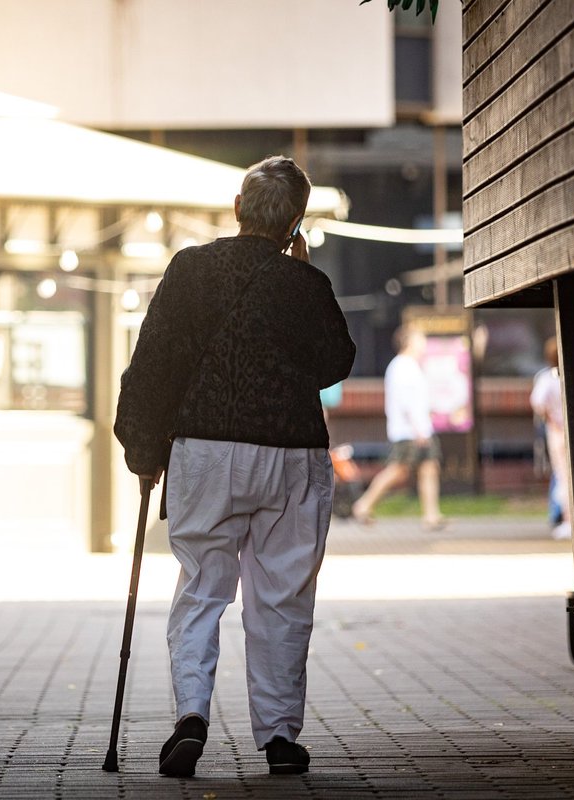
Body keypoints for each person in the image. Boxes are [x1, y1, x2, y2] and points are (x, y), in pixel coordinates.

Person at [114, 156, 355, 778]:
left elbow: (154, 364)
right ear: (295, 222)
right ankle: (278, 737)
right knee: (282, 595)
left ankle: (192, 715)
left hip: (206, 450)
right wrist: (302, 274)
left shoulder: (191, 269)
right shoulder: (305, 283)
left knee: (202, 586)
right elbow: (335, 361)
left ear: (239, 208)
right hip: (290, 453)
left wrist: (143, 451)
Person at [350, 325, 445, 530]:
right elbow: (405, 401)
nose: (424, 344)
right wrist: (418, 428)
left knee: (429, 468)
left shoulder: (412, 366)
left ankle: (431, 515)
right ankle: (363, 504)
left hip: (421, 428)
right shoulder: (401, 366)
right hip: (408, 431)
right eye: (420, 339)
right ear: (408, 342)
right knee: (398, 470)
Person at [530, 337, 571, 541]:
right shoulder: (573, 374)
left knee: (563, 476)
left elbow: (537, 402)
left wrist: (551, 418)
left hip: (556, 432)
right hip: (571, 429)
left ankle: (567, 520)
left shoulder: (546, 378)